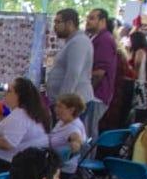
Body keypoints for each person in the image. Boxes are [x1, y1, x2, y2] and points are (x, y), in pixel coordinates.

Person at [0, 77, 50, 178]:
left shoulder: (20, 115)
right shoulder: (32, 112)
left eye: (9, 91)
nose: (5, 94)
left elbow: (8, 144)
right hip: (17, 164)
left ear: (19, 95)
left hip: (1, 166)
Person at [45, 9, 94, 110]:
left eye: (58, 22)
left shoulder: (79, 42)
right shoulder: (71, 41)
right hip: (68, 104)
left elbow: (73, 73)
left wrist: (63, 103)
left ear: (70, 23)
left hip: (73, 106)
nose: (55, 26)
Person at [86, 8, 118, 136]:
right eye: (88, 18)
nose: (88, 21)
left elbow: (100, 72)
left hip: (97, 95)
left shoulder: (104, 39)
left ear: (102, 21)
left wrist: (88, 91)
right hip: (94, 94)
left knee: (88, 131)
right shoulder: (97, 37)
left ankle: (88, 156)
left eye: (92, 18)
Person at [47, 93, 87, 159]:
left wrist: (76, 144)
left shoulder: (74, 128)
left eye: (60, 107)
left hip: (59, 164)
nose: (55, 109)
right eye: (56, 106)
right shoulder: (62, 121)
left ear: (71, 110)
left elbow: (76, 139)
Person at [127, 31, 147, 114]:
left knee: (136, 109)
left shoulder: (139, 52)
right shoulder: (145, 51)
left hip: (139, 82)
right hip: (142, 81)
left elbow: (136, 68)